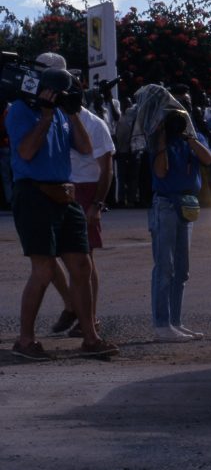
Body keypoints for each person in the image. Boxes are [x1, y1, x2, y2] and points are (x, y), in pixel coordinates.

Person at [6, 52, 118, 359]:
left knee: (81, 265)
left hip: (64, 195)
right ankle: (25, 341)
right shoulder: (19, 110)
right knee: (43, 270)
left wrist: (72, 112)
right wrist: (44, 117)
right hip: (33, 193)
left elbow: (84, 147)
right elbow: (26, 152)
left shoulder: (60, 113)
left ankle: (90, 338)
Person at [50, 94, 115, 337]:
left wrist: (96, 205)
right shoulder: (54, 117)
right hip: (60, 187)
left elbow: (107, 169)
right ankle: (72, 306)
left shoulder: (95, 124)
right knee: (48, 255)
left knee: (85, 258)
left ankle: (90, 317)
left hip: (86, 190)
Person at [149, 109, 211, 342]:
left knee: (181, 269)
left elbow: (208, 159)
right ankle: (161, 324)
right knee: (164, 267)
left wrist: (190, 138)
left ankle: (175, 322)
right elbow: (160, 171)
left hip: (187, 204)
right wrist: (162, 139)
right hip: (165, 204)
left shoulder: (193, 138)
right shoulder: (158, 141)